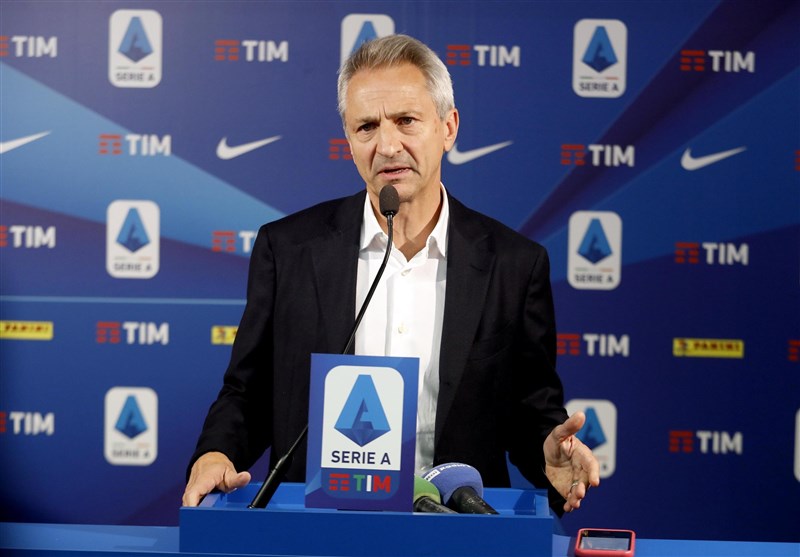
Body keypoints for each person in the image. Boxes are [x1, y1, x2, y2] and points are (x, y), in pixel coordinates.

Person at [183, 34, 599, 514]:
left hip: (454, 530)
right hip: (316, 526)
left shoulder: (513, 265)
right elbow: (248, 392)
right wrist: (216, 452)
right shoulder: (289, 250)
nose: (387, 145)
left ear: (448, 128)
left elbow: (531, 411)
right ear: (349, 141)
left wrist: (549, 456)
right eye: (366, 127)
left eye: (406, 121)